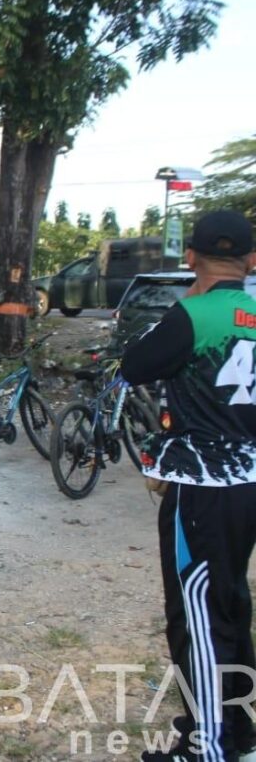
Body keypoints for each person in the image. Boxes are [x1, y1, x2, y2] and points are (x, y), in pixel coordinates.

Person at [123, 210, 256, 762]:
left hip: (202, 486)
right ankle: (241, 735)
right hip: (251, 481)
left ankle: (211, 745)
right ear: (251, 261)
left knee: (197, 613)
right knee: (230, 603)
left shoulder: (191, 316)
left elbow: (135, 365)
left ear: (191, 257)